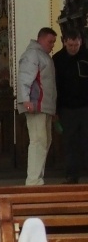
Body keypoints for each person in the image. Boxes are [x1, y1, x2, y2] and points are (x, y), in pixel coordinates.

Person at [17, 27, 57, 185]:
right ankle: (33, 181)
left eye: (53, 42)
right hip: (35, 105)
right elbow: (24, 78)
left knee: (44, 141)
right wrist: (26, 100)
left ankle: (37, 178)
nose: (52, 45)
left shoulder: (43, 56)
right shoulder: (32, 54)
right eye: (50, 41)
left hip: (44, 107)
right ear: (40, 39)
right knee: (38, 141)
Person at [53, 28, 88, 184]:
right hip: (66, 109)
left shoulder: (86, 56)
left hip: (86, 107)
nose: (73, 48)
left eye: (76, 45)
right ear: (64, 42)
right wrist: (55, 110)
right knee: (70, 143)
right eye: (70, 45)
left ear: (81, 42)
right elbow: (54, 86)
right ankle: (71, 176)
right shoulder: (57, 59)